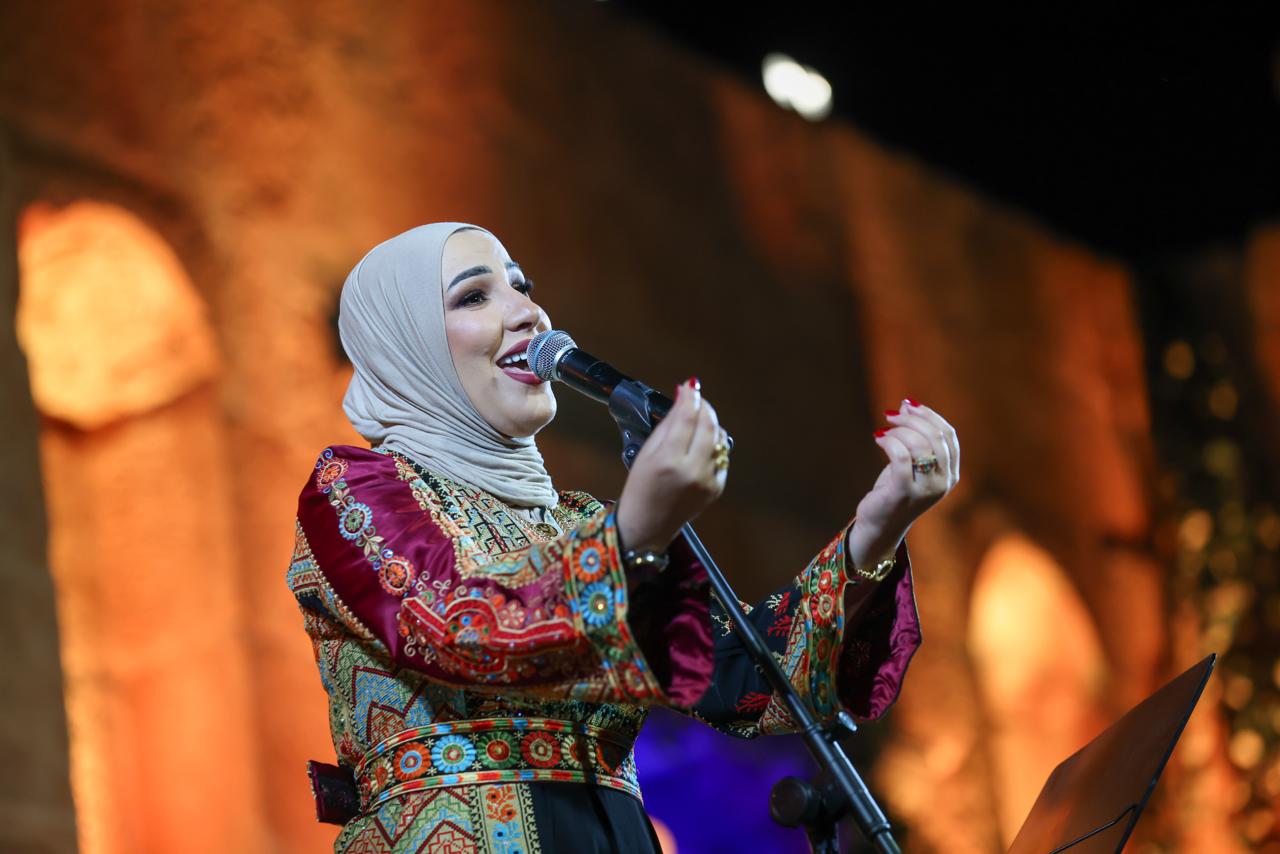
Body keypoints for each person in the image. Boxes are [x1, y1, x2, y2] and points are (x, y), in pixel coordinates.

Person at [287, 222, 958, 852]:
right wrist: (635, 529)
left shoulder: (583, 523)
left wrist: (877, 527)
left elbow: (752, 680)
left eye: (522, 286)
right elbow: (464, 624)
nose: (529, 312)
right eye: (474, 296)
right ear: (403, 344)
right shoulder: (354, 489)